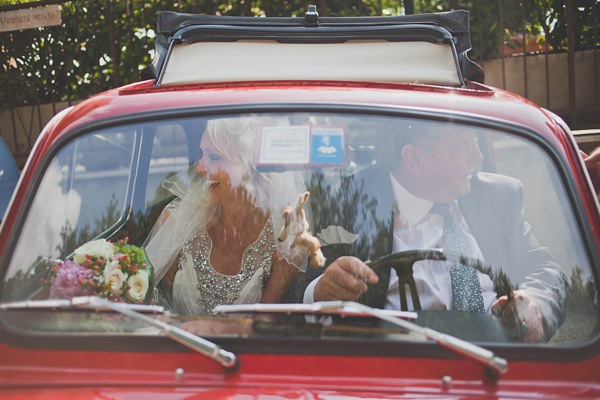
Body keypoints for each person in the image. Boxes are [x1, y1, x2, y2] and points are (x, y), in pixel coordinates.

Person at [304, 122, 567, 343]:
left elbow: (548, 271)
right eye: (464, 148)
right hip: (394, 373)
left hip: (495, 364)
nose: (479, 157)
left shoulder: (499, 196)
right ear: (414, 158)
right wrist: (319, 292)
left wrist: (535, 305)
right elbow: (293, 292)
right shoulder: (343, 203)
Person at [145, 117, 305, 318]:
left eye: (213, 157)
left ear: (249, 167)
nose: (199, 168)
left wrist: (211, 328)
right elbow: (156, 301)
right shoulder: (177, 219)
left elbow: (266, 325)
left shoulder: (285, 241)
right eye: (202, 154)